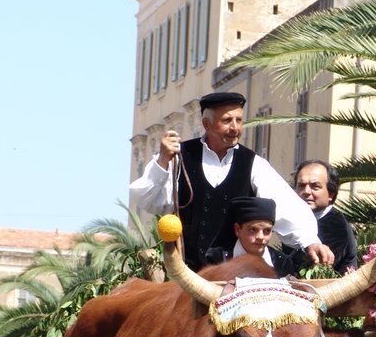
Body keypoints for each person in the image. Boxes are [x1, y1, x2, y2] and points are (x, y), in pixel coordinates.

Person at [129, 91, 334, 271]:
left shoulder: (253, 163)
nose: (235, 128)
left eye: (239, 120)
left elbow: (284, 204)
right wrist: (163, 160)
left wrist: (310, 241)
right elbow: (149, 200)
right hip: (186, 273)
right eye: (227, 120)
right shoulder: (179, 157)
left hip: (234, 276)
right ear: (206, 124)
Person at [293, 160, 358, 275]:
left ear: (331, 194)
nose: (306, 191)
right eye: (301, 185)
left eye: (315, 186)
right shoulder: (294, 221)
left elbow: (314, 271)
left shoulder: (336, 226)